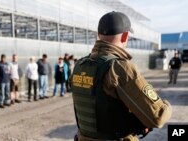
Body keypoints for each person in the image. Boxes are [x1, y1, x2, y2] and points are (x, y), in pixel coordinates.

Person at [71, 11, 172, 141]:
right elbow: (158, 117)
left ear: (99, 34)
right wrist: (167, 106)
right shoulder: (120, 67)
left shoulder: (80, 65)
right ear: (125, 36)